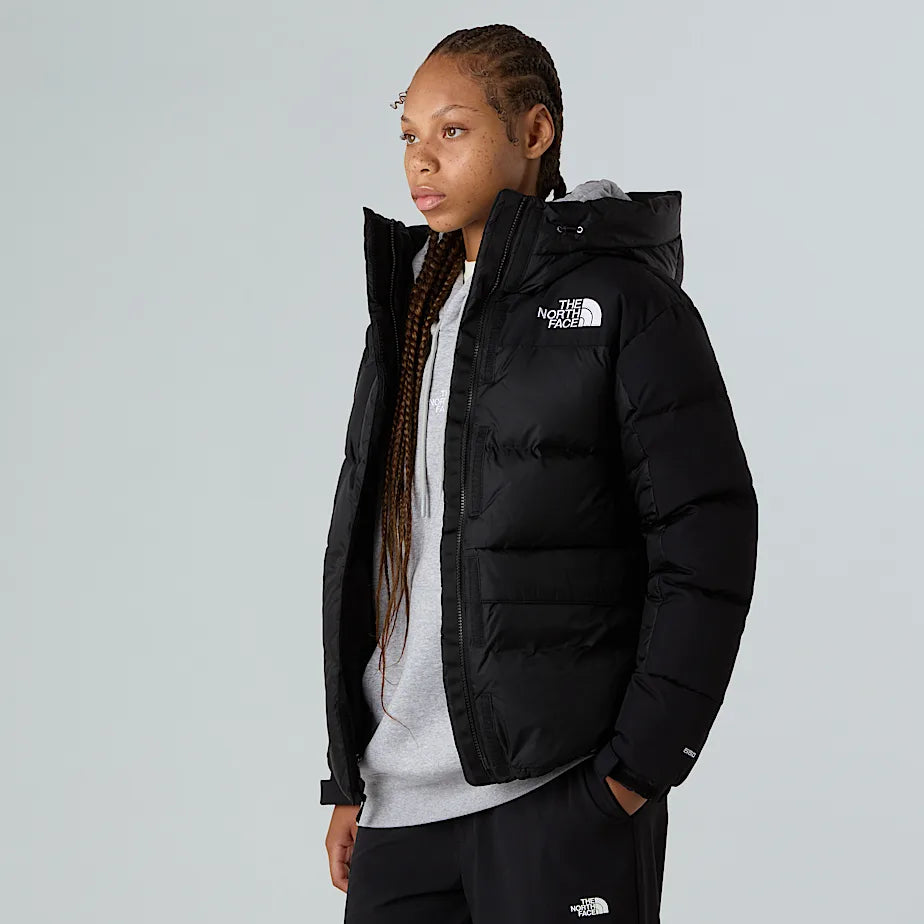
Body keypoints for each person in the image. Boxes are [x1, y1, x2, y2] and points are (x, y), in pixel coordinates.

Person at [320, 23, 758, 924]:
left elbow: (707, 541)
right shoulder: (412, 308)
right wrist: (349, 773)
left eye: (452, 130)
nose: (421, 160)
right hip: (397, 809)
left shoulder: (622, 302)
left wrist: (634, 773)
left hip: (556, 797)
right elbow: (375, 549)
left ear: (534, 131)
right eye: (409, 134)